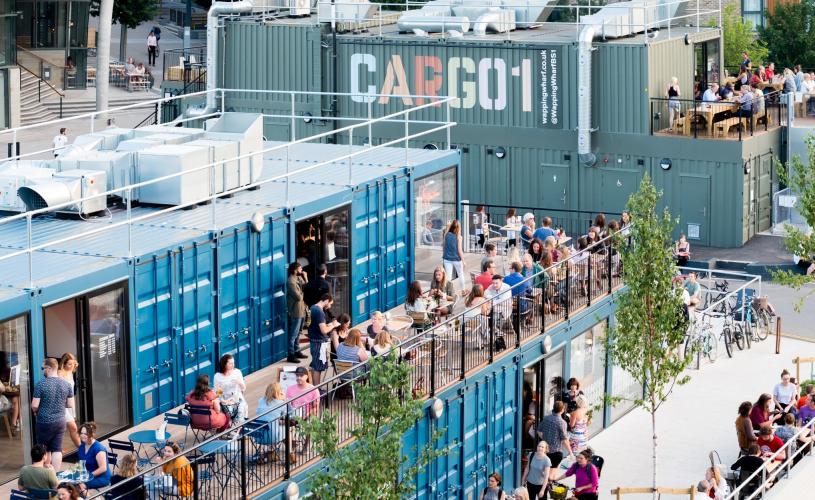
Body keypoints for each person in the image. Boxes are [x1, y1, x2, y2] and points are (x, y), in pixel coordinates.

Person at [32, 357, 74, 470]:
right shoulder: (66, 384)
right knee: (56, 449)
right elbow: (70, 404)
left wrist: (36, 411)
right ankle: (54, 475)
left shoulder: (41, 384)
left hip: (44, 421)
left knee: (43, 448)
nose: (42, 371)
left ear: (49, 368)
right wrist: (58, 404)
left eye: (43, 368)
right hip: (60, 421)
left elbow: (34, 405)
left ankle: (43, 473)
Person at [308, 293, 339, 385]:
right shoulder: (319, 312)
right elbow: (324, 330)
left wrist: (328, 325)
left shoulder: (313, 307)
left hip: (314, 340)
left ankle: (315, 388)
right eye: (330, 304)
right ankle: (316, 390)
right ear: (326, 301)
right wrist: (333, 325)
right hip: (319, 343)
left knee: (315, 365)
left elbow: (318, 325)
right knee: (318, 367)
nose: (329, 306)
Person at [76, 422, 111, 493]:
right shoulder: (82, 446)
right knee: (68, 483)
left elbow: (103, 468)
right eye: (81, 433)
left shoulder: (98, 449)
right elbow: (81, 463)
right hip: (86, 475)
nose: (82, 436)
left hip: (100, 478)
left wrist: (88, 476)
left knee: (79, 486)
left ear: (92, 434)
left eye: (85, 434)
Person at [214, 353, 248, 425]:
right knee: (224, 410)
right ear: (224, 364)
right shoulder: (217, 376)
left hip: (236, 397)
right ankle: (229, 426)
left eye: (233, 363)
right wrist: (222, 397)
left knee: (240, 408)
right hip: (224, 399)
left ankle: (237, 427)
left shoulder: (237, 372)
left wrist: (239, 382)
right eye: (230, 363)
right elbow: (218, 393)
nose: (233, 365)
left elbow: (243, 388)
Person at [536, 401, 573, 469]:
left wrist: (545, 438)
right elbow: (564, 440)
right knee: (551, 475)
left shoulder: (546, 418)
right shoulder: (562, 423)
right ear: (562, 410)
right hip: (555, 452)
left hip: (545, 451)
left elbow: (538, 431)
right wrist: (570, 452)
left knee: (545, 472)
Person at [286, 262, 309, 363]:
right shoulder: (291, 281)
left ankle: (297, 350)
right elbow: (298, 297)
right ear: (295, 270)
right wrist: (303, 292)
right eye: (300, 268)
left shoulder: (298, 278)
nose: (301, 270)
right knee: (293, 334)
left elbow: (307, 288)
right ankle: (291, 354)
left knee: (299, 332)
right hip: (295, 311)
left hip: (302, 309)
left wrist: (306, 277)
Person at [57, 353, 80, 447]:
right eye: (69, 364)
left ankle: (58, 448)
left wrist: (74, 364)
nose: (72, 366)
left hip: (70, 403)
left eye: (73, 364)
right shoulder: (60, 373)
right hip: (62, 404)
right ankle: (81, 449)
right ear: (63, 364)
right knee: (73, 427)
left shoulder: (71, 371)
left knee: (64, 428)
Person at [256, 382, 287, 447]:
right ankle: (289, 451)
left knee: (273, 424)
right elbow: (285, 417)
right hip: (272, 437)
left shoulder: (261, 400)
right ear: (277, 392)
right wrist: (284, 399)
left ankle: (271, 449)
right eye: (281, 390)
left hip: (259, 436)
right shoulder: (281, 403)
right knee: (286, 426)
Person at [442, 220, 466, 291]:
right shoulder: (459, 237)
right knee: (461, 274)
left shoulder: (446, 234)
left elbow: (444, 246)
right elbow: (459, 250)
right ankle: (463, 291)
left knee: (448, 277)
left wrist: (448, 225)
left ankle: (447, 292)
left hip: (447, 259)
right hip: (456, 259)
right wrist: (464, 261)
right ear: (459, 228)